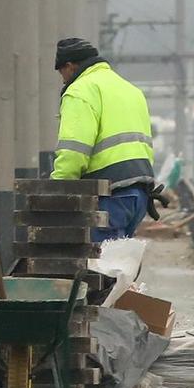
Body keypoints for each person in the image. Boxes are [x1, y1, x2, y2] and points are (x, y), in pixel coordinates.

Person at [51, 38, 163, 242]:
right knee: (116, 265)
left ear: (70, 65)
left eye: (62, 72)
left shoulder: (80, 91)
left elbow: (74, 151)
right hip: (139, 193)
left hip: (110, 194)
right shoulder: (130, 90)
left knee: (98, 265)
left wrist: (56, 191)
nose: (63, 79)